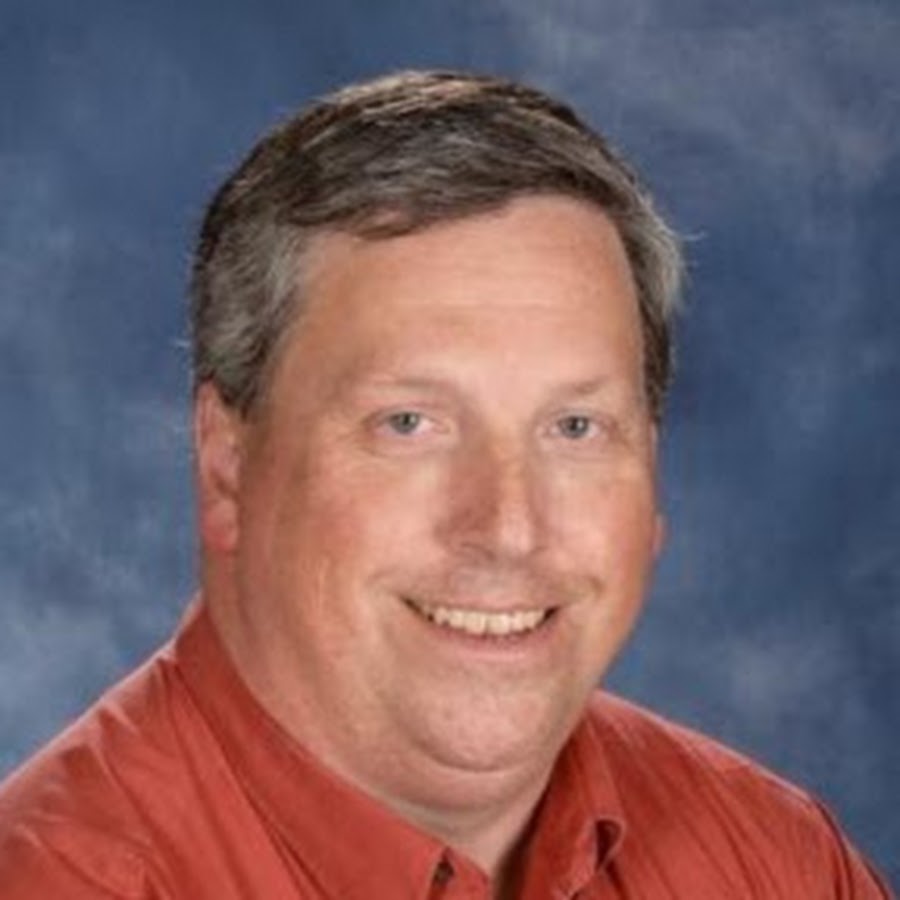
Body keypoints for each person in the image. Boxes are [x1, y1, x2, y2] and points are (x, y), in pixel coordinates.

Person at [0, 70, 891, 900]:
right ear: (227, 463)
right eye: (409, 424)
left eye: (575, 428)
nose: (508, 528)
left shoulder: (780, 864)